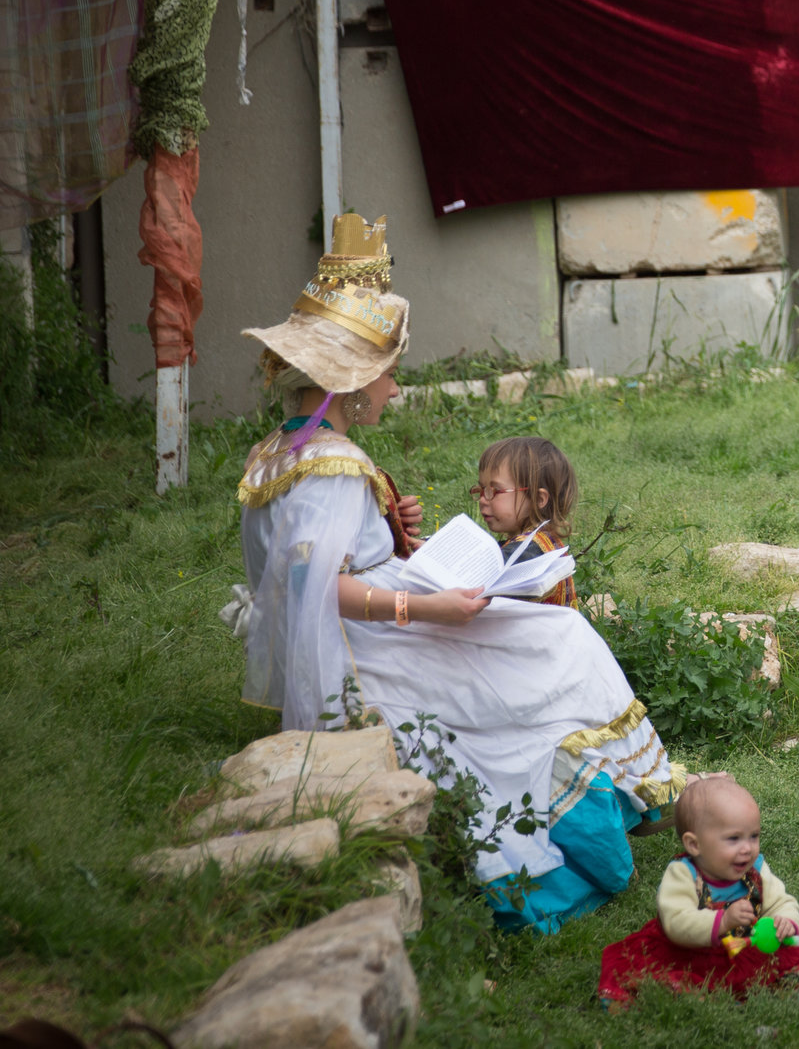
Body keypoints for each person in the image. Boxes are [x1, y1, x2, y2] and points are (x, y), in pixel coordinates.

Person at [234, 215, 683, 935]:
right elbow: (321, 588)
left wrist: (390, 537)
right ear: (352, 383)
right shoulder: (334, 468)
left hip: (359, 630)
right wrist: (429, 610)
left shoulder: (285, 450)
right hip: (365, 651)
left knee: (543, 634)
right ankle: (590, 817)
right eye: (387, 371)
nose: (394, 386)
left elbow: (314, 562)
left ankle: (604, 799)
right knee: (556, 640)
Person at [598, 774, 799, 1001]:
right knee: (664, 976)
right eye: (733, 839)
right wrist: (723, 921)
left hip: (746, 946)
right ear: (694, 844)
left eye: (754, 836)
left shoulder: (756, 869)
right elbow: (676, 921)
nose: (747, 848)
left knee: (791, 950)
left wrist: (785, 921)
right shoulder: (683, 874)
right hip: (692, 952)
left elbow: (781, 901)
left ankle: (795, 988)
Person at [474, 436, 581, 610]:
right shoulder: (540, 541)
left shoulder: (531, 550)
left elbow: (477, 577)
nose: (483, 500)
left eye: (494, 490)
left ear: (538, 499)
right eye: (481, 489)